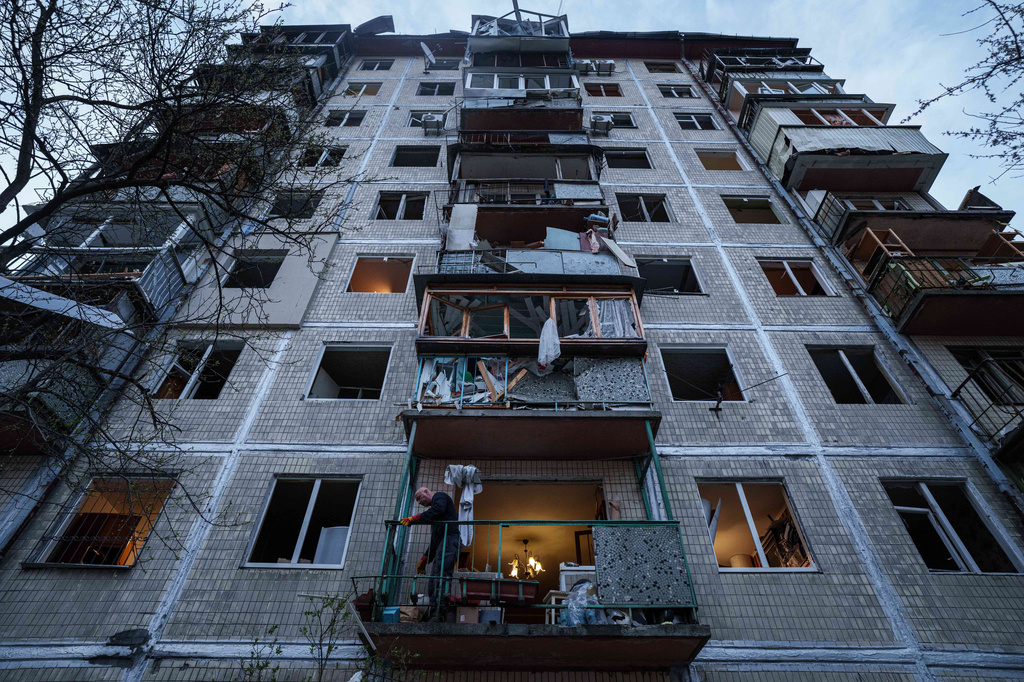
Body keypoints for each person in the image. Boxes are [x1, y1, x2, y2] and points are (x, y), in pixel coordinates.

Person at [400, 486, 460, 615]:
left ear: (427, 492)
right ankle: (435, 610)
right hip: (444, 542)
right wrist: (425, 559)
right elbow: (435, 541)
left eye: (419, 498)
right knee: (434, 579)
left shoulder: (440, 496)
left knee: (442, 574)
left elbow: (438, 509)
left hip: (449, 540)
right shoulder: (436, 517)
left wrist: (415, 518)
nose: (419, 502)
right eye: (417, 500)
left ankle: (441, 610)